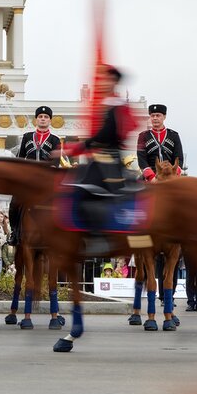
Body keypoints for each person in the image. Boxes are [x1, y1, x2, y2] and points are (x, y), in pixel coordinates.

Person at [56, 65, 140, 255]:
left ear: (114, 82)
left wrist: (77, 148)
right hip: (102, 158)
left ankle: (98, 237)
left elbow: (106, 134)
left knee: (86, 190)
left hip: (109, 161)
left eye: (106, 79)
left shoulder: (117, 105)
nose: (101, 82)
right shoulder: (111, 104)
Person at [7, 105, 61, 245]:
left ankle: (59, 232)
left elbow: (55, 162)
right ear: (36, 119)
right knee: (14, 202)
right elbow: (20, 159)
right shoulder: (27, 137)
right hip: (29, 179)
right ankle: (14, 232)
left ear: (50, 120)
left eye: (46, 117)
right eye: (40, 117)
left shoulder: (55, 140)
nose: (43, 119)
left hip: (46, 179)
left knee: (60, 202)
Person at [136, 104, 184, 182]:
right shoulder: (143, 136)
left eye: (158, 115)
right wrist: (151, 177)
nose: (155, 118)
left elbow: (179, 158)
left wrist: (174, 174)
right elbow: (141, 159)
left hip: (170, 175)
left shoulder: (174, 135)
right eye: (152, 116)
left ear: (164, 117)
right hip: (151, 176)